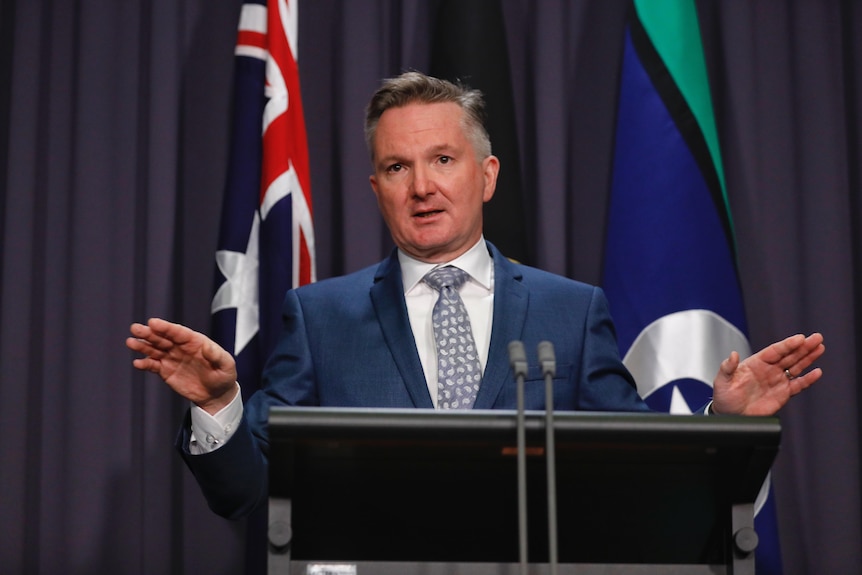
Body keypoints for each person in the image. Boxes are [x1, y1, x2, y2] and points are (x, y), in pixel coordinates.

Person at [127, 71, 825, 519]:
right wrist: (220, 404)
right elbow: (246, 493)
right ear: (376, 190)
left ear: (486, 175)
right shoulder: (320, 317)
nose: (422, 186)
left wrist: (726, 427)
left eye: (442, 160)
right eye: (397, 166)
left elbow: (641, 481)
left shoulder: (573, 313)